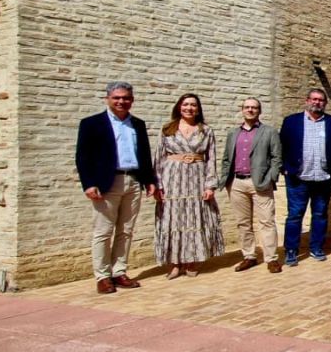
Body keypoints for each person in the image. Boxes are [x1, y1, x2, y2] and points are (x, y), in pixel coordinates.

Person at [75, 81, 156, 294]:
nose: (121, 101)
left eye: (126, 98)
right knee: (103, 231)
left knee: (126, 231)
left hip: (133, 181)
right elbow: (83, 157)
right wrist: (88, 183)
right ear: (108, 99)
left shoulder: (137, 124)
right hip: (106, 183)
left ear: (132, 100)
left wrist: (149, 180)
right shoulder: (92, 123)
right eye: (117, 97)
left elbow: (145, 154)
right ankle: (102, 276)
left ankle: (119, 272)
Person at [153, 93, 225, 278]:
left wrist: (210, 185)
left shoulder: (206, 130)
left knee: (195, 219)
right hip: (172, 179)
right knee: (173, 219)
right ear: (179, 107)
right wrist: (158, 184)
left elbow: (211, 159)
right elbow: (159, 157)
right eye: (185, 104)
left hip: (197, 179)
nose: (189, 108)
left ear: (198, 109)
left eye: (193, 105)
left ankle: (192, 261)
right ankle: (175, 263)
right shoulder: (167, 129)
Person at [279, 88, 331, 266]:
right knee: (295, 215)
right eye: (314, 99)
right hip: (298, 178)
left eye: (321, 100)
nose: (317, 102)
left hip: (323, 178)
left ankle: (316, 247)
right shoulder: (291, 121)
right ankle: (291, 250)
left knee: (320, 214)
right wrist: (284, 168)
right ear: (307, 100)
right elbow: (281, 146)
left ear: (325, 103)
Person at [219, 97, 283, 273]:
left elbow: (277, 157)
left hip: (260, 182)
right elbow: (226, 158)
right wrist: (226, 179)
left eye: (254, 107)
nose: (250, 110)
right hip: (237, 183)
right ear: (242, 110)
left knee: (267, 221)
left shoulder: (269, 132)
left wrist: (271, 178)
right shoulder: (233, 133)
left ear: (259, 111)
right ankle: (249, 256)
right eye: (247, 107)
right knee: (243, 223)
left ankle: (271, 258)